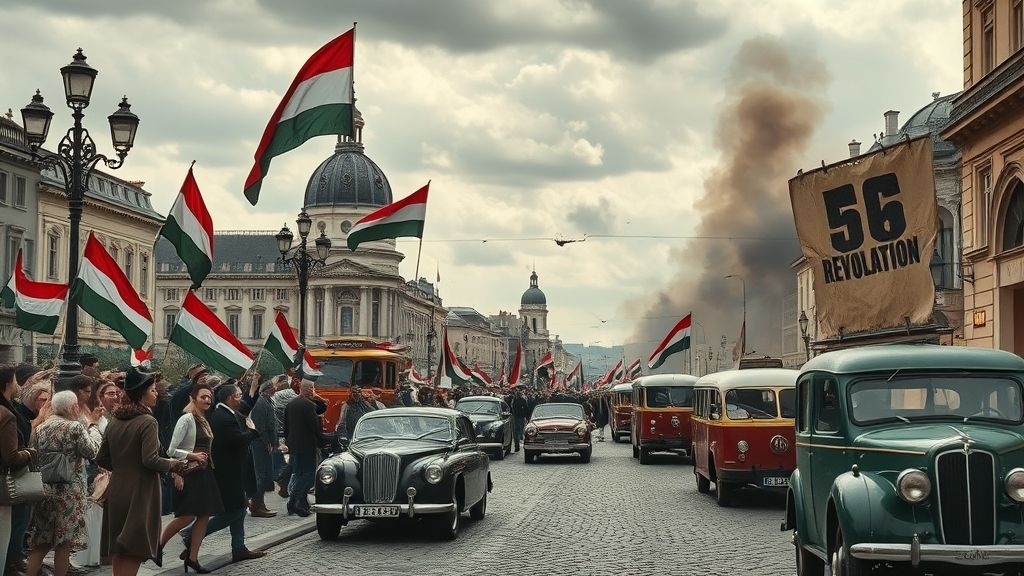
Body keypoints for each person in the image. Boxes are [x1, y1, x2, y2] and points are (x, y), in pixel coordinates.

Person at [97, 368, 182, 576]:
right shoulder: (147, 421)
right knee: (134, 547)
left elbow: (102, 458)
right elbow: (150, 459)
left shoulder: (115, 420)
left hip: (117, 489)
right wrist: (174, 464)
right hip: (141, 491)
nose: (156, 393)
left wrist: (123, 468)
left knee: (120, 548)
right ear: (141, 394)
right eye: (153, 390)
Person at [181, 384, 265, 564]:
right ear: (230, 398)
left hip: (232, 471)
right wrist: (252, 431)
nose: (241, 398)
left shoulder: (226, 413)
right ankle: (191, 533)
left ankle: (239, 548)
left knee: (237, 508)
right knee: (237, 510)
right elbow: (238, 440)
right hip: (228, 473)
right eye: (238, 395)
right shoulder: (223, 417)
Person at [25, 391, 102, 576]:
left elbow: (34, 456)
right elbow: (91, 451)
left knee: (42, 541)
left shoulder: (40, 428)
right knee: (64, 542)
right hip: (70, 492)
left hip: (45, 490)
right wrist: (93, 427)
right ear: (73, 407)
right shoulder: (74, 427)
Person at [160, 384, 219, 574]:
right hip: (189, 473)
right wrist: (190, 458)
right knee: (186, 516)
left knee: (204, 515)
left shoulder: (204, 419)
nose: (208, 400)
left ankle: (193, 558)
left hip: (204, 472)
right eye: (203, 397)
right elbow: (171, 450)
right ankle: (158, 545)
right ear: (193, 399)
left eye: (209, 397)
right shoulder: (186, 419)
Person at [0, 364, 35, 574]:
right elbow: (11, 457)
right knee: (10, 528)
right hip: (7, 483)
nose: (17, 384)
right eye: (14, 380)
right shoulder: (6, 415)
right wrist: (29, 453)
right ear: (7, 384)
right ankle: (10, 565)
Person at [284, 381, 324, 516]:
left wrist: (288, 442)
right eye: (312, 387)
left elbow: (286, 426)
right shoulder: (309, 405)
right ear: (309, 389)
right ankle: (293, 502)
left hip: (294, 444)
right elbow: (314, 427)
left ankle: (298, 503)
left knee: (299, 473)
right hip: (307, 445)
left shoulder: (290, 404)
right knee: (308, 475)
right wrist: (322, 440)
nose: (313, 390)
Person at [248, 381, 278, 518]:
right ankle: (256, 506)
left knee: (265, 474)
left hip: (264, 443)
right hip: (260, 443)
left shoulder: (267, 400)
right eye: (273, 386)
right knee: (261, 475)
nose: (275, 388)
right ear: (268, 388)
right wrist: (267, 442)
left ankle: (260, 504)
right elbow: (260, 426)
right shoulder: (260, 402)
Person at [510, 388, 530, 452]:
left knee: (518, 431)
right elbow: (526, 409)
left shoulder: (519, 400)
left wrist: (526, 416)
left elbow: (526, 408)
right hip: (517, 417)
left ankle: (518, 443)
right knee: (518, 431)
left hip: (518, 417)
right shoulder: (515, 400)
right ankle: (517, 444)